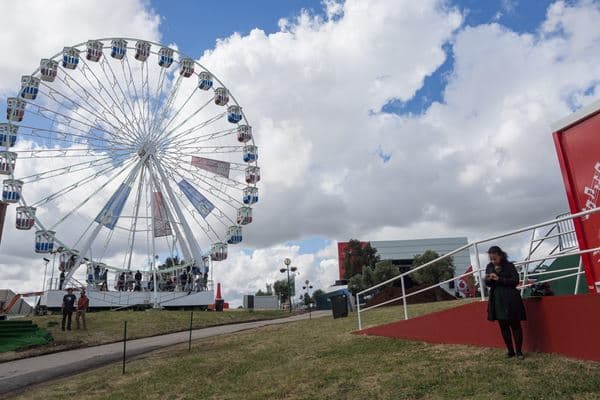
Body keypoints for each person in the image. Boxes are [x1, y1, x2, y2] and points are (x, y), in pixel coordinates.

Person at [485, 246, 527, 359]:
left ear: (501, 255)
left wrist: (500, 279)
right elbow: (488, 284)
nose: (493, 261)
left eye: (495, 258)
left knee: (515, 325)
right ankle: (510, 351)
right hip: (497, 299)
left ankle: (519, 352)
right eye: (491, 259)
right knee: (503, 326)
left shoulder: (509, 266)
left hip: (511, 298)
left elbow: (515, 281)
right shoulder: (489, 267)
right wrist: (488, 280)